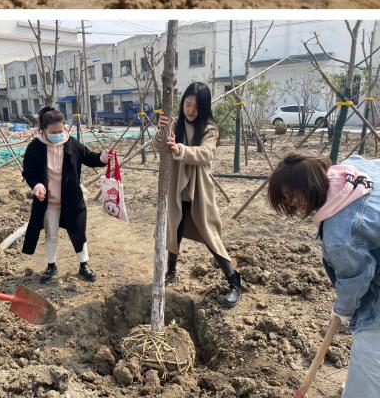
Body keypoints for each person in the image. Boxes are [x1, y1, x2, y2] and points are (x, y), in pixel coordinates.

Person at [267, 152, 380, 394]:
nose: (292, 204)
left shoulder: (341, 235)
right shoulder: (351, 170)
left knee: (367, 369)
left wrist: (343, 309)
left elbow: (356, 281)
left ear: (308, 184)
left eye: (291, 195)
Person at [156, 82, 241, 307]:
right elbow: (159, 146)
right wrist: (161, 130)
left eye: (196, 107)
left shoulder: (209, 129)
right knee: (174, 229)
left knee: (210, 234)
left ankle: (235, 283)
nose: (191, 110)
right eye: (187, 104)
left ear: (204, 107)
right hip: (176, 187)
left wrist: (180, 149)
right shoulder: (174, 123)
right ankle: (171, 271)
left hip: (199, 189)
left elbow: (205, 153)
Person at [22, 106, 109, 283]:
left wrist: (102, 158)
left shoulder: (71, 143)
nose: (58, 135)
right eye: (53, 132)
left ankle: (84, 265)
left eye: (60, 131)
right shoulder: (35, 147)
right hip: (48, 202)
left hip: (72, 200)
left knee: (78, 232)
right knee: (51, 234)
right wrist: (37, 185)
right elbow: (29, 172)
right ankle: (51, 266)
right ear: (43, 130)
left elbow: (89, 157)